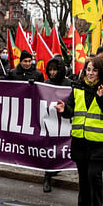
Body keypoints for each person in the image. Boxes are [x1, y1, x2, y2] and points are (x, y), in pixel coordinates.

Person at [55, 57, 103, 206]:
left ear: (101, 71)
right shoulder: (77, 86)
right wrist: (64, 110)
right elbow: (71, 110)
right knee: (84, 178)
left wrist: (101, 98)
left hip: (100, 142)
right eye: (88, 70)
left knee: (94, 175)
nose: (90, 73)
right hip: (80, 141)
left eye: (94, 70)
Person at [41, 56, 69, 193]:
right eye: (50, 70)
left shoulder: (69, 83)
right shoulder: (45, 83)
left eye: (55, 70)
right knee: (49, 149)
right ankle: (47, 177)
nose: (52, 73)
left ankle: (57, 169)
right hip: (50, 122)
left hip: (65, 122)